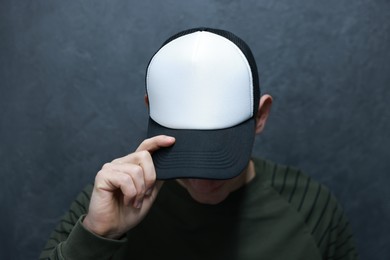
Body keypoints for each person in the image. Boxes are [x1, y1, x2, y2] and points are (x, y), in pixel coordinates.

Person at [40, 27, 358, 259]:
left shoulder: (312, 209)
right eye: (185, 151)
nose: (201, 178)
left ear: (260, 116)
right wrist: (97, 235)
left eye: (219, 152)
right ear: (151, 110)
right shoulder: (115, 198)